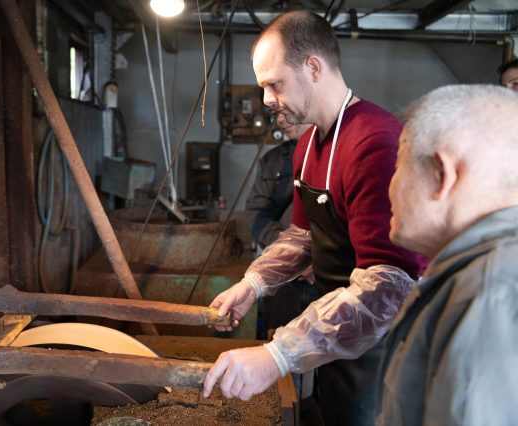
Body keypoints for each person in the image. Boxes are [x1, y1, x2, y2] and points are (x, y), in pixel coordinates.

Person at [202, 11, 426, 426]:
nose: (267, 98)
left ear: (313, 68)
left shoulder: (375, 143)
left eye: (274, 84)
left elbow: (387, 288)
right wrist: (254, 283)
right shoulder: (308, 145)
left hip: (382, 349)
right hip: (339, 336)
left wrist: (277, 355)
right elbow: (302, 237)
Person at [376, 85, 518, 425]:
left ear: (443, 175)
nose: (389, 186)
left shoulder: (487, 294)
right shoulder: (482, 274)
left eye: (399, 165)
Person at [246, 116, 316, 337]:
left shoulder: (341, 152)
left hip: (331, 279)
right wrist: (291, 254)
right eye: (274, 111)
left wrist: (319, 260)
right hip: (286, 281)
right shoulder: (273, 161)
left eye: (285, 109)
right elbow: (257, 214)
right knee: (279, 348)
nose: (279, 120)